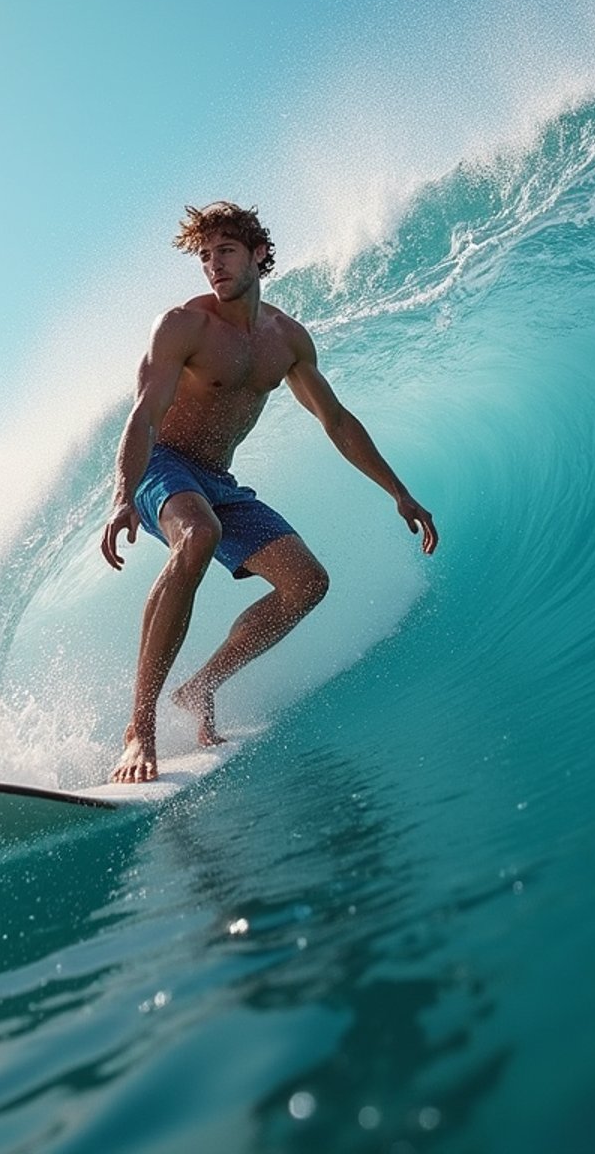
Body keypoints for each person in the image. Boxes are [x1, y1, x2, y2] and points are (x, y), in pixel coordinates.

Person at [101, 202, 438, 783]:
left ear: (258, 254)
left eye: (224, 251)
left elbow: (334, 419)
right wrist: (123, 495)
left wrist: (399, 493)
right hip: (163, 465)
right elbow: (144, 414)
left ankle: (201, 686)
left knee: (307, 584)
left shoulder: (286, 340)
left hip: (218, 480)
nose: (212, 265)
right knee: (198, 534)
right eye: (204, 256)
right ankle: (140, 727)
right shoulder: (184, 325)